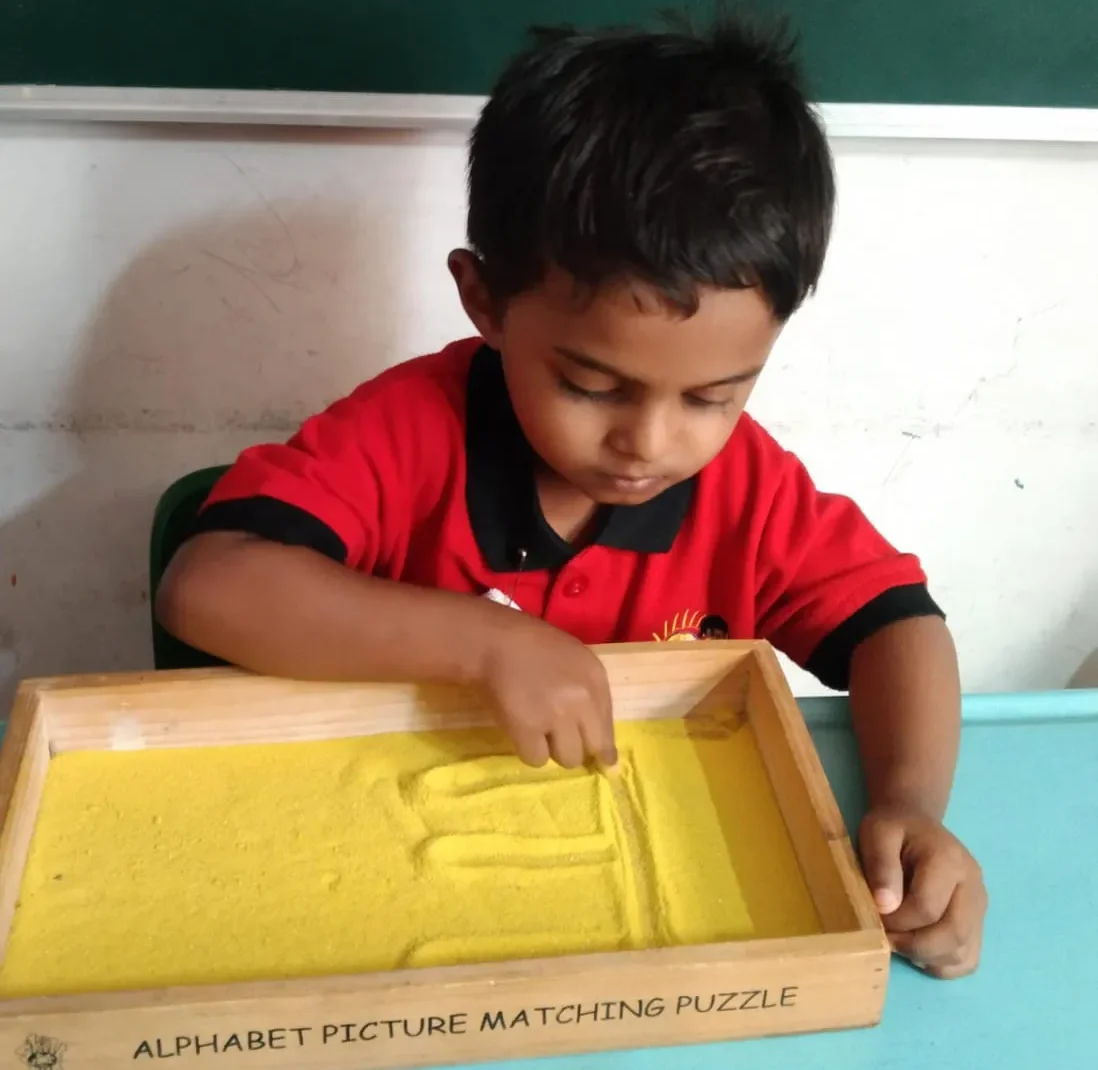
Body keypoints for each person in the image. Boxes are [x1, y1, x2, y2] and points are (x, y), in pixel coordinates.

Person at [156, 15, 985, 979]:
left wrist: (910, 803)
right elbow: (208, 585)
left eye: (712, 397)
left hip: (642, 912)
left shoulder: (747, 486)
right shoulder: (405, 436)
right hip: (399, 891)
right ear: (485, 300)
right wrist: (486, 643)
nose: (650, 443)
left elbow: (898, 627)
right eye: (591, 387)